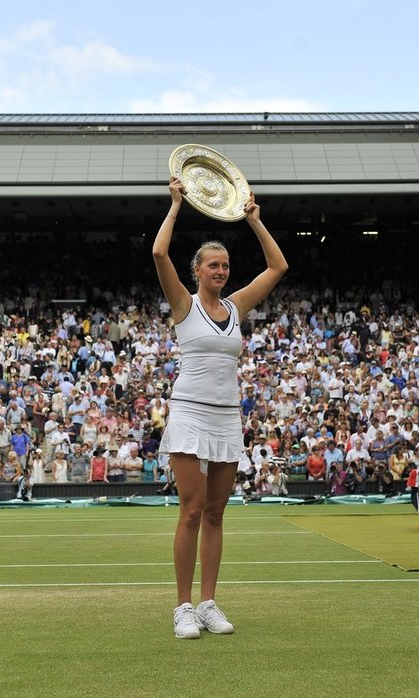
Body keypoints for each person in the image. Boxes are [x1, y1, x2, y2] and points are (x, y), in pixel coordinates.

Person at [153, 176, 287, 639]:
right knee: (191, 510)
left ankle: (209, 602)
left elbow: (277, 266)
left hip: (227, 416)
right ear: (197, 270)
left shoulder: (237, 306)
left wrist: (254, 220)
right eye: (213, 265)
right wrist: (175, 205)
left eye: (225, 265)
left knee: (216, 513)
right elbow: (158, 254)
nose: (221, 271)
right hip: (189, 412)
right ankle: (183, 607)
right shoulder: (183, 305)